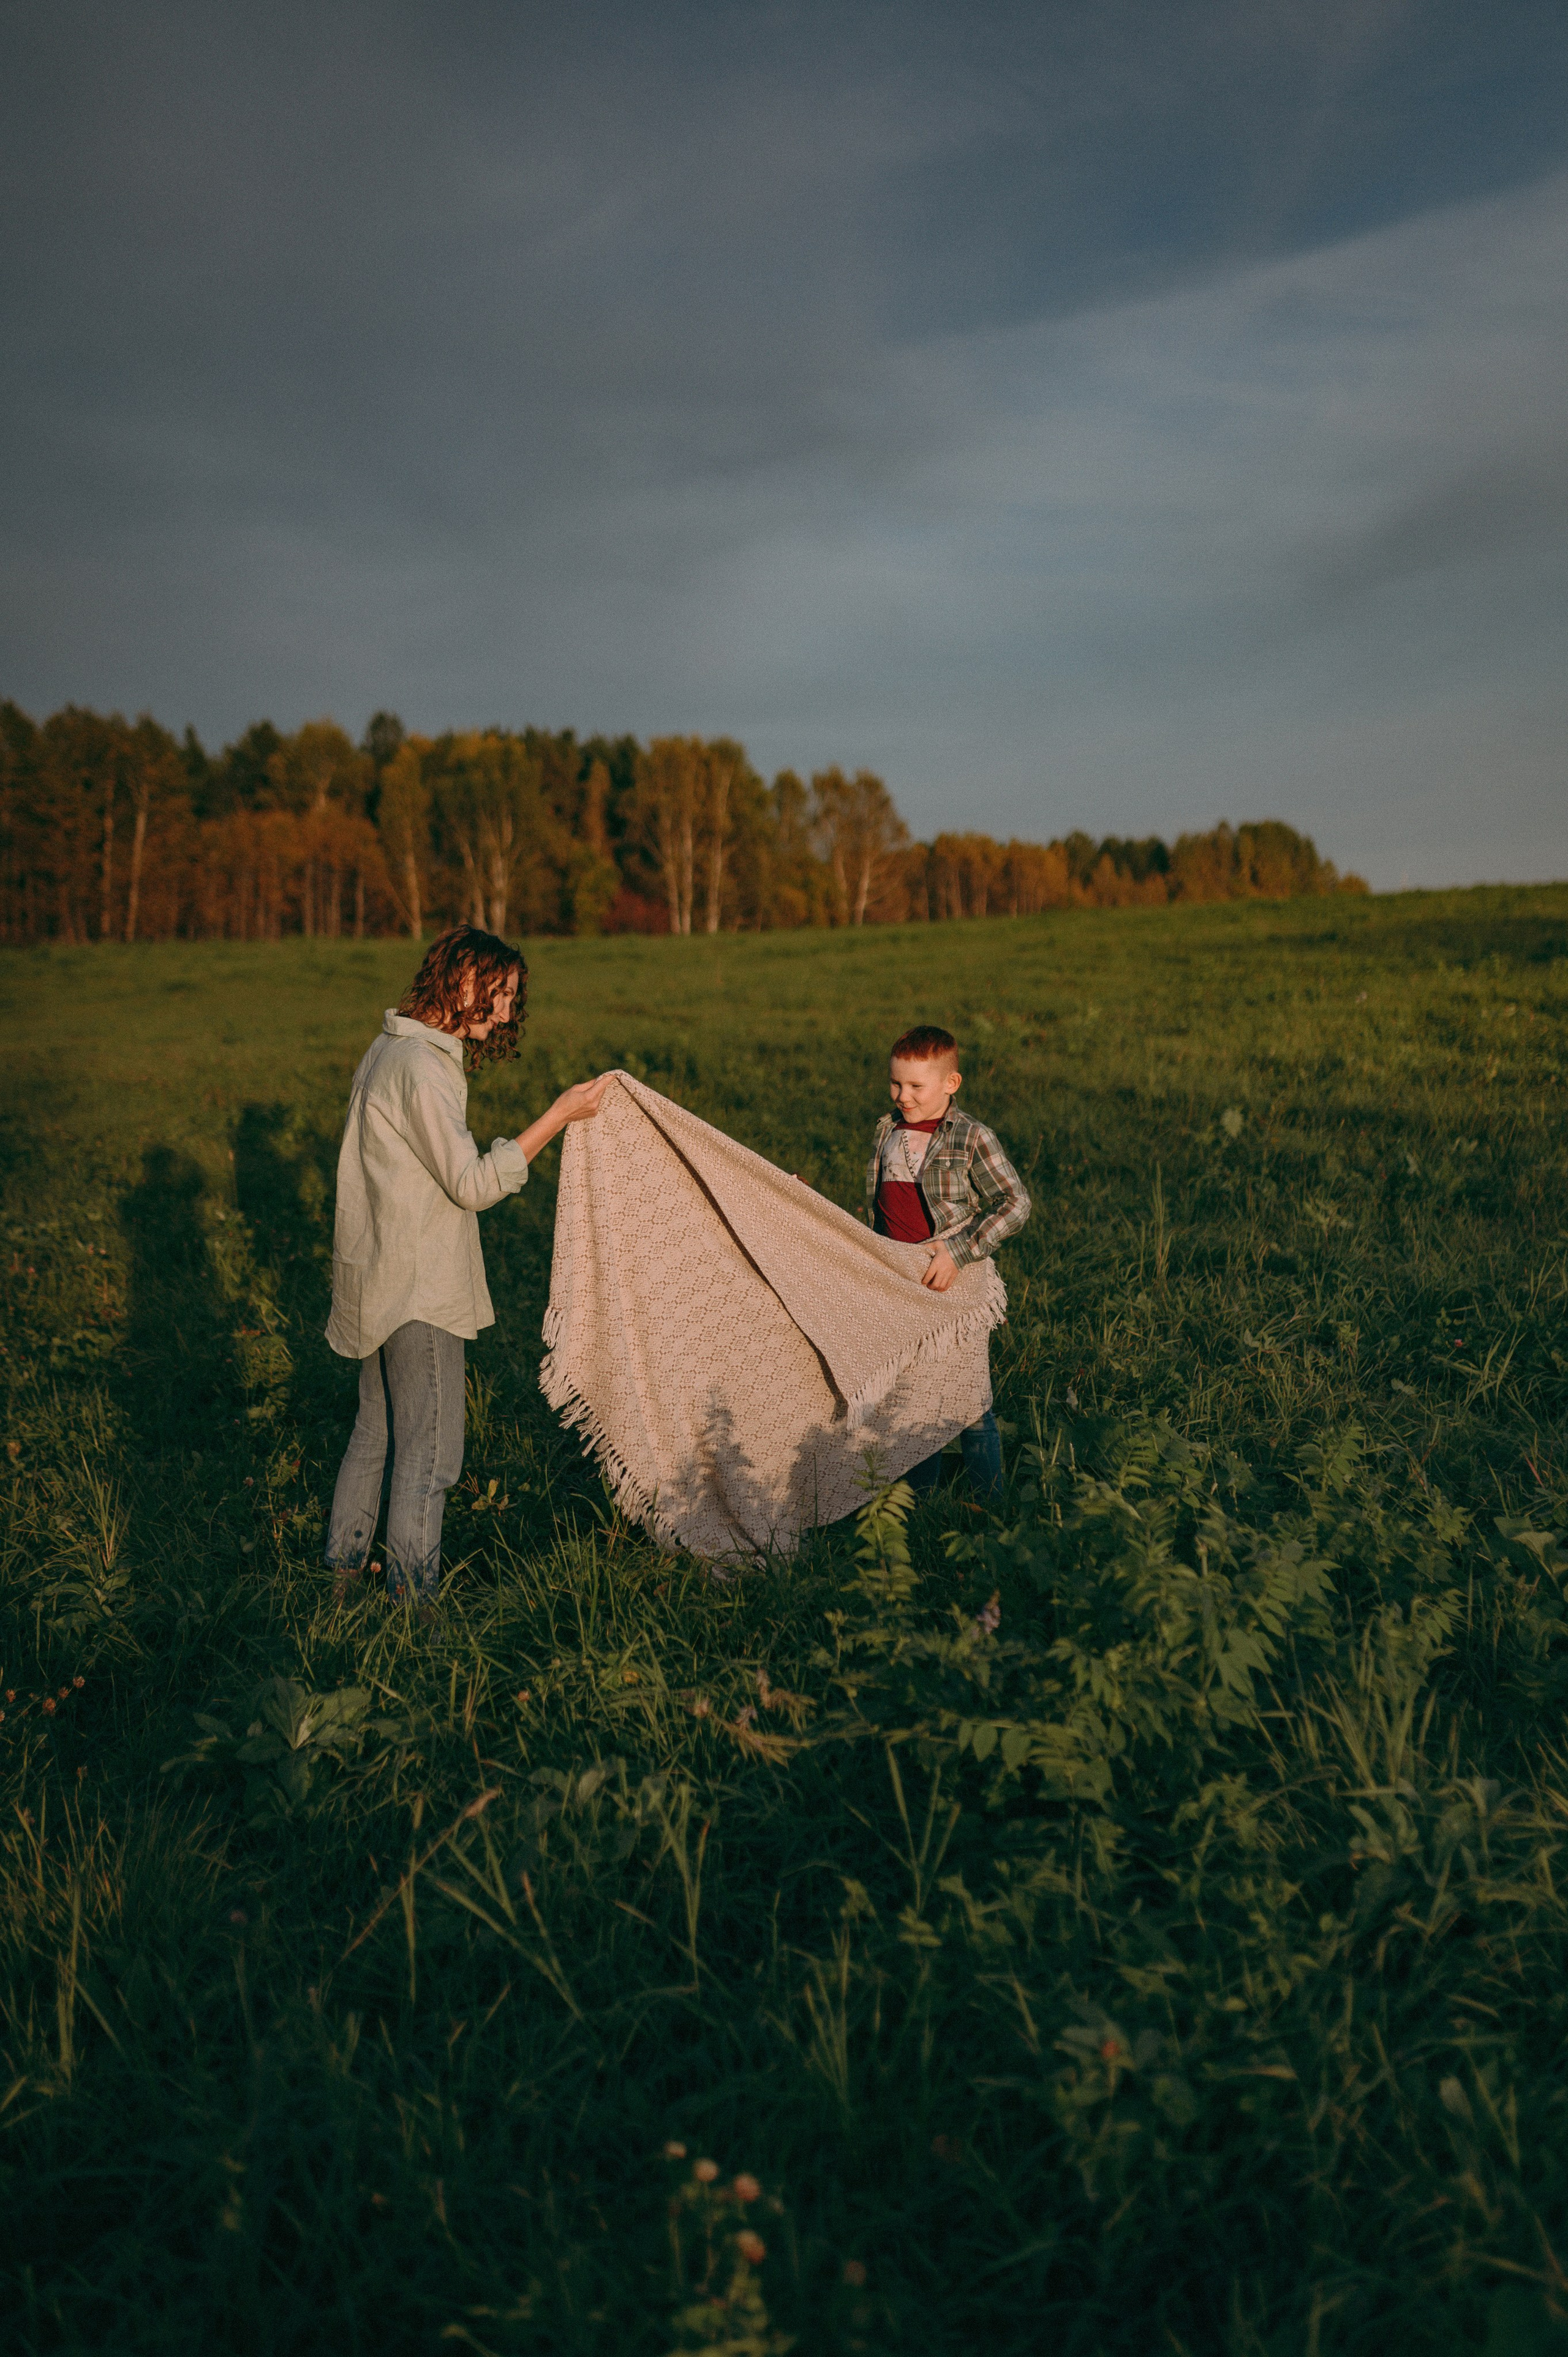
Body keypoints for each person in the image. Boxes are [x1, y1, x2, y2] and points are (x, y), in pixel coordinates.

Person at [324, 923, 608, 1604]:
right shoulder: (421, 1068)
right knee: (431, 1454)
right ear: (461, 984)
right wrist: (560, 1115)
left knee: (377, 1432)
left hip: (376, 1274)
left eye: (513, 997)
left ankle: (339, 1582)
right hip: (417, 1286)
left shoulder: (389, 1047)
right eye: (501, 993)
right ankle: (413, 1605)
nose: (509, 1011)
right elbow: (472, 1184)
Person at [866, 1024, 1031, 1500]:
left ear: (950, 1084)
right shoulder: (888, 1130)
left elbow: (1015, 1203)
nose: (904, 1096)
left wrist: (959, 1251)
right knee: (915, 1392)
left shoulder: (970, 1137)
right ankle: (918, 1501)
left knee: (968, 1398)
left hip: (952, 1278)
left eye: (917, 1086)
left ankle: (988, 1502)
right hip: (901, 1276)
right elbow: (883, 1207)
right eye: (896, 1083)